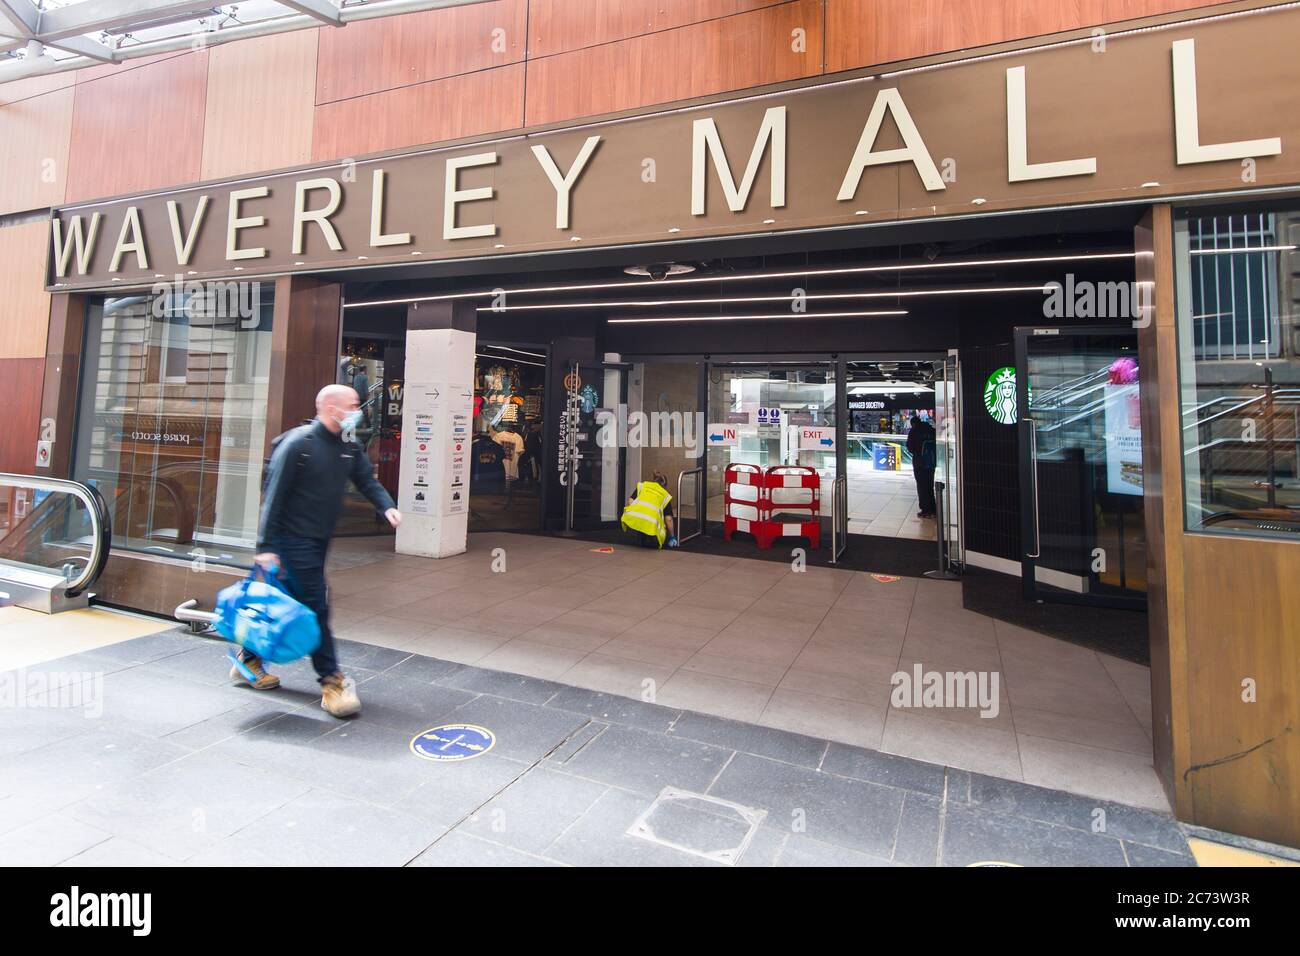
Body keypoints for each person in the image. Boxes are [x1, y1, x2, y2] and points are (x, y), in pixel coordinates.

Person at [237, 384, 402, 717]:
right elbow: (274, 497)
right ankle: (331, 682)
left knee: (287, 602)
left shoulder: (347, 446)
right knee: (316, 606)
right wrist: (266, 546)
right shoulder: (299, 445)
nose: (359, 410)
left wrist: (387, 507)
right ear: (330, 408)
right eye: (353, 405)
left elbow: (367, 480)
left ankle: (249, 659)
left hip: (319, 539)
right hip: (290, 540)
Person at [620, 470, 678, 549]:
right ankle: (651, 538)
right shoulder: (664, 495)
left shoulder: (643, 486)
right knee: (652, 521)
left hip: (635, 517)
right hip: (652, 522)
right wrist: (672, 536)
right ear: (664, 486)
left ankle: (641, 536)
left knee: (642, 517)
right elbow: (669, 519)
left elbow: (630, 501)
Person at [906, 414, 938, 519]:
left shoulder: (914, 431)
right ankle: (933, 509)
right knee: (930, 486)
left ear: (913, 424)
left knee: (921, 486)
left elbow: (910, 447)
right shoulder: (931, 430)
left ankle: (925, 510)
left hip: (919, 462)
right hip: (931, 463)